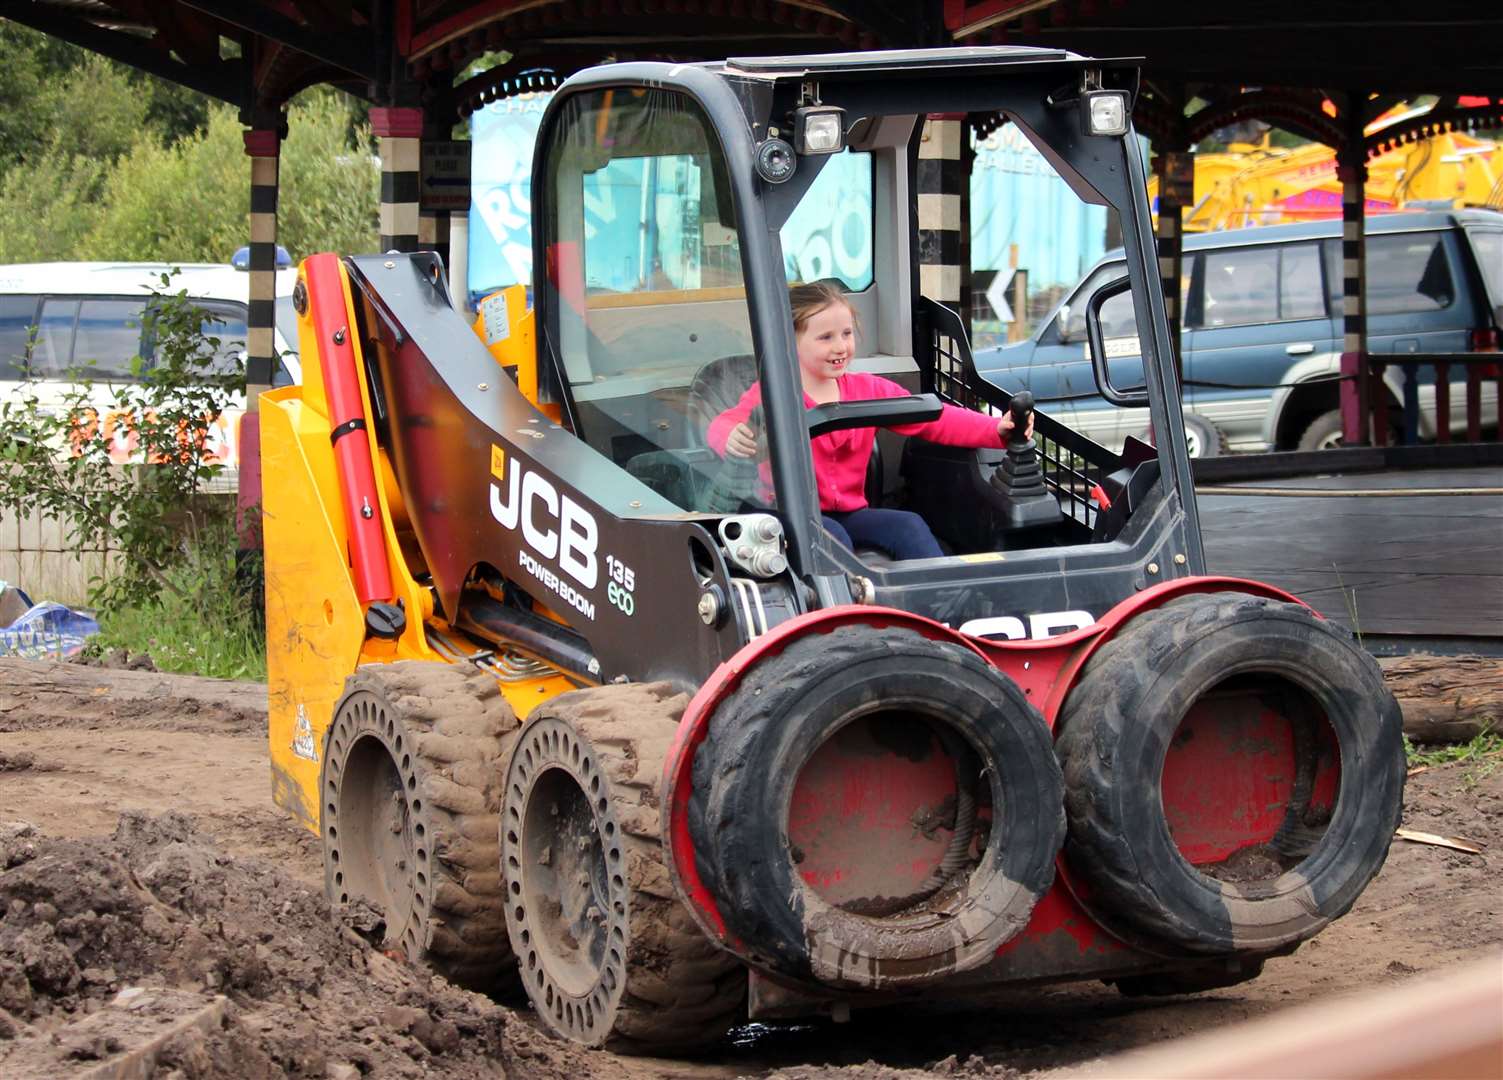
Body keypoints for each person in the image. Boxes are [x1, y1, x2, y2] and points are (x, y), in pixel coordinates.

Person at [707, 282, 1033, 560]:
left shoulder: (868, 389)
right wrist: (731, 436)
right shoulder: (772, 393)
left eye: (847, 334)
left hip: (851, 513)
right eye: (825, 338)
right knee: (832, 538)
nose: (841, 346)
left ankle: (941, 612)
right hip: (787, 514)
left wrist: (996, 430)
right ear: (788, 342)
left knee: (909, 526)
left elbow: (934, 418)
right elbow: (724, 423)